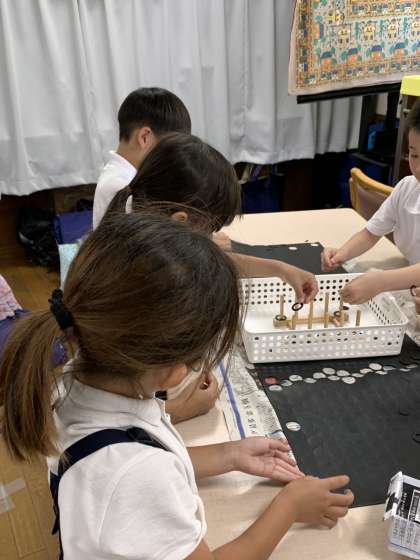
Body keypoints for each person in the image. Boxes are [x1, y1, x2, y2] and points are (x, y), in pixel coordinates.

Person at [0, 213, 353, 560]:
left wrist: (229, 455)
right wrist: (289, 506)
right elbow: (138, 473)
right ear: (174, 372)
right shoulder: (137, 475)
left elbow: (132, 452)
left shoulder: (75, 376)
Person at [107, 132, 319, 304]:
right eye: (209, 230)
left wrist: (281, 269)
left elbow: (213, 260)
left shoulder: (146, 231)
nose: (211, 238)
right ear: (180, 221)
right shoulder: (154, 275)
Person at [323, 99, 420, 295]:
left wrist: (381, 281)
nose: (417, 168)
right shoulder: (407, 188)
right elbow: (370, 233)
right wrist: (341, 254)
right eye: (414, 155)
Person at [93, 87, 191, 229]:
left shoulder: (123, 175)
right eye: (171, 147)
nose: (173, 156)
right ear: (145, 137)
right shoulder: (122, 187)